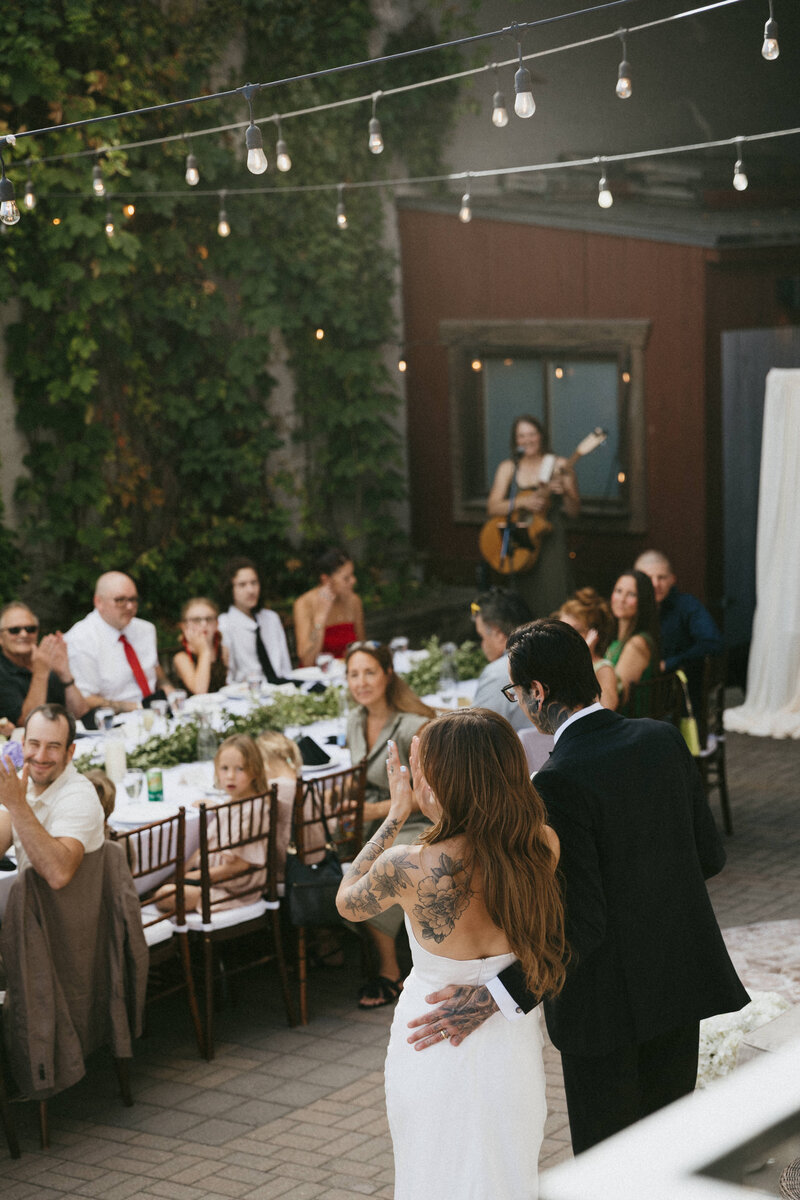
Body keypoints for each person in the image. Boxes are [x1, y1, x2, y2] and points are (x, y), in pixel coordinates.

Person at [406, 620, 748, 1156]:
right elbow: (709, 857)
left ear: (537, 693)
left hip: (605, 1010)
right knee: (673, 1158)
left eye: (516, 692)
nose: (518, 702)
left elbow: (579, 923)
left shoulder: (557, 781)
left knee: (610, 1167)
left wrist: (497, 996)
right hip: (679, 982)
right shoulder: (659, 739)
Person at [336, 712, 566, 1199]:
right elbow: (550, 942)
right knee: (505, 1165)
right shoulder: (540, 844)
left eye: (421, 768)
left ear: (442, 780)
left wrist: (396, 813)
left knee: (431, 1166)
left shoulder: (405, 865)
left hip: (430, 1033)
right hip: (510, 1035)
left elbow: (346, 898)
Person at [345, 642, 436, 1007]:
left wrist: (373, 811)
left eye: (369, 672)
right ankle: (334, 950)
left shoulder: (413, 725)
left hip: (415, 820)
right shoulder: (355, 720)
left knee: (384, 866)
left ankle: (390, 971)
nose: (361, 682)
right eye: (353, 674)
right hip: (373, 819)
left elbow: (431, 790)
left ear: (387, 675)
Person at [156, 734, 270, 914]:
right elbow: (204, 848)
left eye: (240, 769)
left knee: (164, 896)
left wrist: (189, 877)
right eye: (224, 768)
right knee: (158, 887)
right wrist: (177, 875)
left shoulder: (253, 809)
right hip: (216, 879)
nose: (230, 776)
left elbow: (240, 866)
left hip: (235, 888)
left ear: (254, 770)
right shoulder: (232, 804)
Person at [0, 704, 105, 890]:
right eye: (34, 744)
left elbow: (58, 874)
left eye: (53, 747)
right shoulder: (21, 784)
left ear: (70, 752)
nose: (40, 757)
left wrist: (17, 805)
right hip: (29, 909)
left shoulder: (79, 794)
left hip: (70, 916)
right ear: (23, 745)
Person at [485, 415, 580, 618]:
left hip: (550, 542)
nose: (527, 440)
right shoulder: (509, 467)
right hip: (521, 543)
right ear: (515, 440)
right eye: (521, 436)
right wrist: (522, 502)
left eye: (532, 434)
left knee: (555, 599)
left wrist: (565, 492)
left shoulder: (559, 464)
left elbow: (574, 511)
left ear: (541, 436)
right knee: (522, 604)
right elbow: (493, 507)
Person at [65, 571, 173, 713]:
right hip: (112, 722)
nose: (129, 606)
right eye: (120, 600)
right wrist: (140, 708)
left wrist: (172, 696)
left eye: (133, 599)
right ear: (99, 602)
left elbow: (157, 674)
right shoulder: (80, 639)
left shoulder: (145, 629)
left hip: (157, 713)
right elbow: (85, 698)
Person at [635, 549, 723, 713]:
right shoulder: (630, 606)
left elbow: (712, 643)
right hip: (637, 684)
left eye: (661, 577)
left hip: (677, 689)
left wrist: (670, 663)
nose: (655, 584)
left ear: (672, 580)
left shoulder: (687, 605)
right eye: (648, 578)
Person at [0, 600, 89, 728]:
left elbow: (79, 713)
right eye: (15, 630)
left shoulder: (45, 661)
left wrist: (65, 674)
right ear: (1, 638)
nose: (24, 634)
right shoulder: (4, 672)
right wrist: (41, 673)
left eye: (30, 629)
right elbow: (26, 723)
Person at [218, 557, 292, 684]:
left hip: (282, 687)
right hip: (248, 692)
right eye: (242, 585)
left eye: (254, 583)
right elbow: (228, 676)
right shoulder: (225, 623)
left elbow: (285, 665)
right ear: (230, 589)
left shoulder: (271, 618)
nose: (251, 590)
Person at [470, 589, 532, 732]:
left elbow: (474, 736)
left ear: (498, 634)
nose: (482, 645)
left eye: (482, 637)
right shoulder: (554, 654)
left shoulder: (500, 671)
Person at [293, 548, 366, 666]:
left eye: (353, 575)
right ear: (326, 580)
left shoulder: (354, 601)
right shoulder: (304, 604)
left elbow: (362, 647)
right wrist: (320, 618)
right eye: (346, 578)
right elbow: (307, 660)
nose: (353, 580)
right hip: (316, 676)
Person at [556, 588, 618, 710]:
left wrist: (582, 659)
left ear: (593, 634)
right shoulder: (561, 664)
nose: (567, 636)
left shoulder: (603, 668)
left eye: (576, 631)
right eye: (563, 629)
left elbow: (608, 707)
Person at [607, 569, 661, 706]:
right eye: (618, 591)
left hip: (628, 723)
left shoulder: (637, 643)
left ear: (643, 600)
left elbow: (616, 699)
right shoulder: (614, 639)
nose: (622, 599)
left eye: (631, 594)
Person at [172, 597, 229, 694]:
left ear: (216, 624)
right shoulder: (181, 657)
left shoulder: (223, 650)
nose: (204, 624)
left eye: (209, 619)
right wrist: (204, 652)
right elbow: (200, 690)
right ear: (184, 626)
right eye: (196, 620)